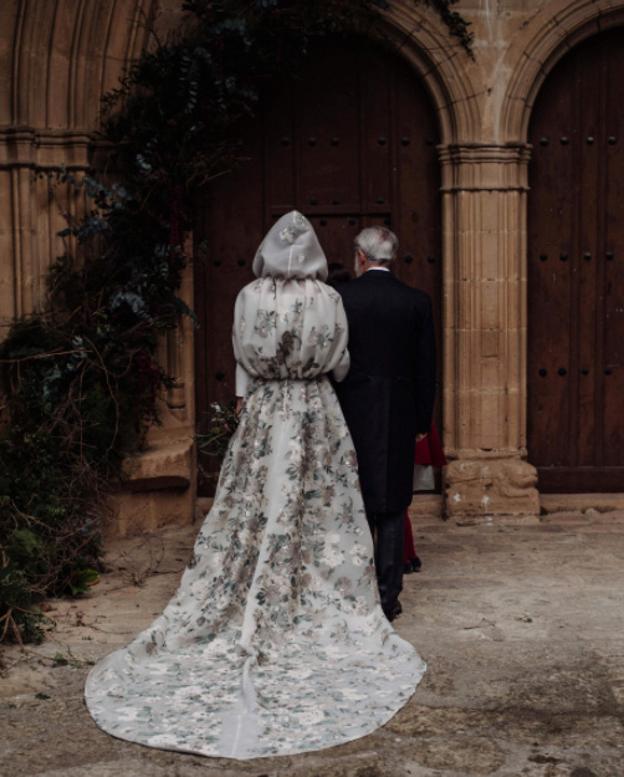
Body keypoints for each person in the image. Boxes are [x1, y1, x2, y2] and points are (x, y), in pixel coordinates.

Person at [84, 211, 426, 760]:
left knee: (253, 495)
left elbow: (240, 357)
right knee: (320, 502)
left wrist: (249, 394)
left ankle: (246, 583)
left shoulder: (249, 296)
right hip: (314, 410)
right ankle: (312, 586)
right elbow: (340, 362)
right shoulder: (327, 297)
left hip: (265, 410)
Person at [333, 226, 436, 622]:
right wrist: (422, 419)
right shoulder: (416, 302)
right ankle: (388, 598)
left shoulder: (342, 298)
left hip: (350, 411)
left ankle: (353, 592)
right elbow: (426, 367)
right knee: (393, 503)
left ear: (361, 256)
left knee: (352, 499)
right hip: (399, 412)